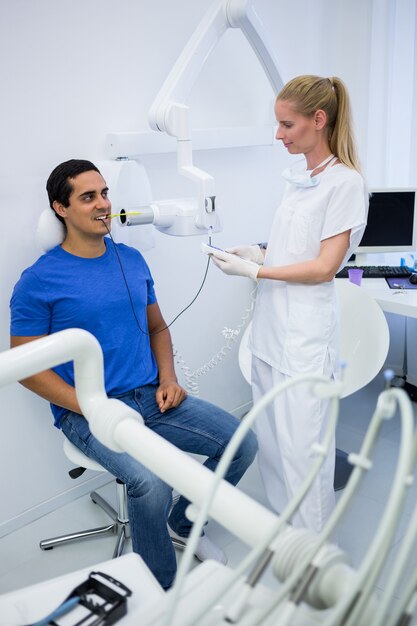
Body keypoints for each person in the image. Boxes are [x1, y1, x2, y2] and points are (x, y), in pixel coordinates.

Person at [9, 159, 258, 590]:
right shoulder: (38, 281)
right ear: (60, 208)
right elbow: (27, 368)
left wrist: (169, 378)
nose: (104, 204)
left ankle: (180, 522)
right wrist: (92, 406)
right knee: (152, 482)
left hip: (152, 396)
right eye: (89, 197)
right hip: (86, 411)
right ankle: (157, 590)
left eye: (105, 193)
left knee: (242, 443)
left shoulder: (131, 259)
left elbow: (158, 327)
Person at [208, 75, 368, 533]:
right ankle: (285, 541)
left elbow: (323, 267)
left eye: (287, 125)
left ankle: (311, 564)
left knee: (304, 454)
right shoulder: (299, 181)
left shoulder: (345, 184)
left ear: (319, 120)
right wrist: (256, 254)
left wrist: (256, 272)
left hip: (304, 340)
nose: (278, 135)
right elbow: (292, 249)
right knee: (275, 447)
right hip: (270, 333)